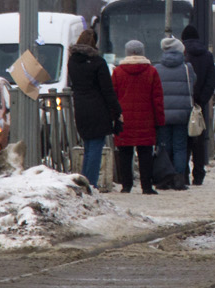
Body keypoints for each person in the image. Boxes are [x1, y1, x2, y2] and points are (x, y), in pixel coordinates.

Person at [67, 28, 121, 191]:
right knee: (96, 147)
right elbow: (107, 90)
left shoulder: (72, 62)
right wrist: (117, 110)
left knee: (88, 146)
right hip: (98, 109)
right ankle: (90, 184)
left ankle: (84, 181)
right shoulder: (98, 62)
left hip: (80, 107)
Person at [112, 39, 164, 194]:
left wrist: (114, 118)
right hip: (146, 119)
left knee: (125, 153)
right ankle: (146, 186)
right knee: (145, 153)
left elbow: (113, 97)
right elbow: (157, 99)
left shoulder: (118, 72)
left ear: (127, 53)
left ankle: (126, 185)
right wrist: (160, 121)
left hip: (124, 119)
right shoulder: (151, 72)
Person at [154, 36, 193, 190]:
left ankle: (165, 177)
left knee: (164, 146)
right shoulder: (187, 68)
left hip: (163, 113)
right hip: (182, 113)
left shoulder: (157, 68)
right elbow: (193, 84)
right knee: (180, 147)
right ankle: (179, 179)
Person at [181, 23, 215, 186]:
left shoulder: (181, 55)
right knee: (198, 139)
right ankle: (199, 174)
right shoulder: (207, 56)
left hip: (183, 103)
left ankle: (183, 174)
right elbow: (211, 81)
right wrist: (201, 100)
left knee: (183, 140)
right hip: (199, 105)